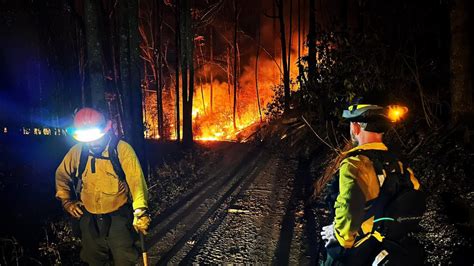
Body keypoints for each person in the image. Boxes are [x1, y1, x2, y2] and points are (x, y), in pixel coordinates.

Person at [321, 98, 425, 265]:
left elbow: (349, 209)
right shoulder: (399, 165)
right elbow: (415, 197)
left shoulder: (355, 164)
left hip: (360, 249)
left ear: (355, 127)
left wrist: (337, 237)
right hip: (389, 246)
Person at [55, 107, 151, 265]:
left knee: (124, 260)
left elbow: (136, 182)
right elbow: (61, 174)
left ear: (107, 130)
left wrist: (140, 210)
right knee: (93, 260)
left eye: (96, 137)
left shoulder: (122, 150)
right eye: (87, 139)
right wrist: (67, 201)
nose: (92, 142)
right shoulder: (78, 152)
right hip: (89, 219)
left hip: (118, 219)